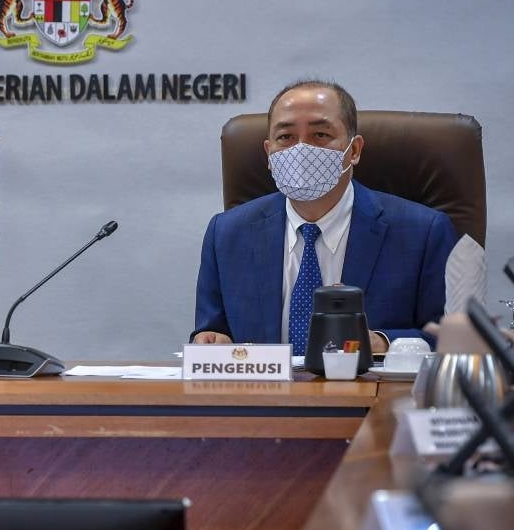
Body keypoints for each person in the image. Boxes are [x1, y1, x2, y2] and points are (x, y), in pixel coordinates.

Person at [192, 79, 456, 353]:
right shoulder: (226, 234)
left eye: (320, 135)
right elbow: (212, 331)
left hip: (369, 393)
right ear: (269, 153)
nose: (301, 150)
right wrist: (212, 341)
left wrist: (382, 343)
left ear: (354, 150)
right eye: (285, 137)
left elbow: (451, 339)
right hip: (264, 395)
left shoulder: (423, 232)